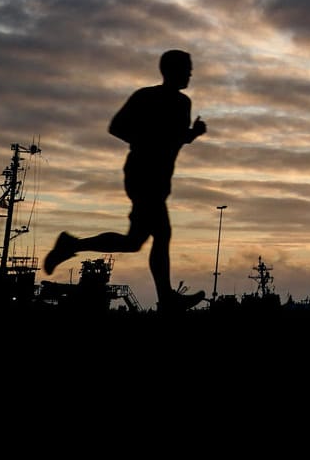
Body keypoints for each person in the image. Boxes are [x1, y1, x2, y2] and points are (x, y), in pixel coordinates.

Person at [44, 49, 211, 312]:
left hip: (159, 177)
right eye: (186, 68)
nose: (190, 73)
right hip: (142, 174)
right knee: (162, 234)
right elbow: (117, 127)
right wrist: (147, 140)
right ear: (172, 70)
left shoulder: (183, 104)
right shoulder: (145, 97)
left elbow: (174, 140)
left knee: (134, 242)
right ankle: (167, 298)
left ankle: (72, 244)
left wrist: (193, 134)